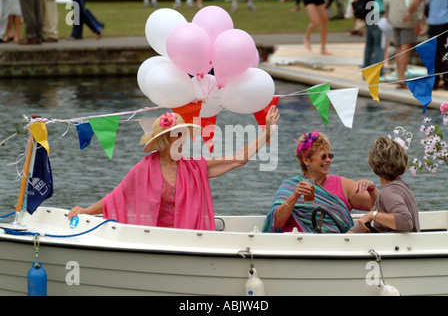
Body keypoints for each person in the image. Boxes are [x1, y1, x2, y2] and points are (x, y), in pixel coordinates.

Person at [68, 107, 280, 230]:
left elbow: (238, 160)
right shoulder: (143, 169)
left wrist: (266, 134)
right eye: (178, 135)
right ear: (163, 141)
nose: (184, 140)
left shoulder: (195, 167)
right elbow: (116, 198)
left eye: (184, 135)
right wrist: (87, 211)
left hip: (188, 240)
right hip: (156, 240)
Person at [263, 130, 379, 233]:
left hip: (337, 248)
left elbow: (380, 206)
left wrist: (371, 188)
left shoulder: (342, 185)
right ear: (307, 160)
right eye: (323, 157)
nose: (328, 160)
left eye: (330, 156)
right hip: (298, 248)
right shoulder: (290, 186)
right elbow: (275, 223)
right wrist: (294, 196)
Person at [348, 137, 420, 233]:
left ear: (375, 164)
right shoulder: (401, 186)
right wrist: (349, 234)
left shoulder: (389, 192)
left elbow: (406, 221)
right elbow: (374, 213)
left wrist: (372, 215)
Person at [406, 0, 448, 90]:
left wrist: (409, 13)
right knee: (445, 53)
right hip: (444, 20)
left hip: (434, 21)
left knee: (435, 53)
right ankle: (446, 82)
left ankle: (434, 82)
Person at [383, 0, 424, 89]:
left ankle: (400, 76)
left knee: (399, 47)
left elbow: (386, 0)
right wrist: (411, 15)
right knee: (406, 46)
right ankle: (401, 77)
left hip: (394, 15)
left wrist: (388, 12)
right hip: (407, 17)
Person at [363, 0, 384, 72]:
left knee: (369, 45)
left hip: (368, 13)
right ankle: (377, 72)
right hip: (378, 13)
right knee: (378, 45)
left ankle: (366, 72)